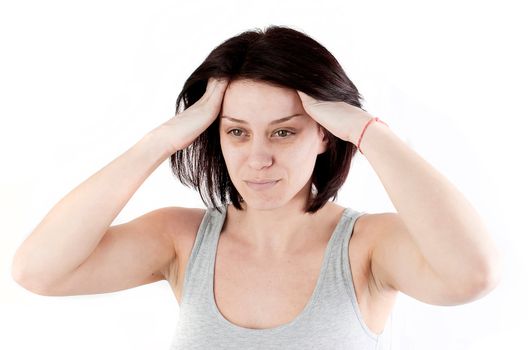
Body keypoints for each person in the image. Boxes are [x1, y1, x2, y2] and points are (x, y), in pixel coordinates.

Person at [11, 25, 501, 349]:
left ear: (325, 133)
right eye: (237, 131)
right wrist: (163, 139)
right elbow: (38, 271)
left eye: (283, 131)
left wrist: (370, 131)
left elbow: (474, 275)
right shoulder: (180, 241)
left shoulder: (367, 247)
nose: (258, 157)